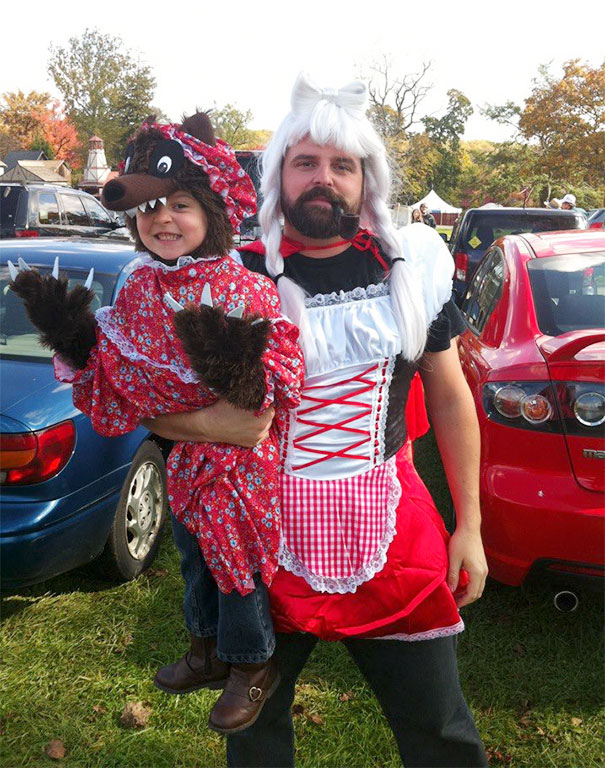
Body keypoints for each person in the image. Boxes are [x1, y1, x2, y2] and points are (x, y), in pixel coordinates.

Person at [148, 73, 489, 767]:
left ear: (366, 179)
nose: (322, 178)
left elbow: (450, 395)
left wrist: (470, 526)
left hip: (394, 529)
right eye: (305, 162)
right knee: (255, 736)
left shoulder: (410, 266)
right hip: (260, 538)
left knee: (439, 731)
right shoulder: (228, 273)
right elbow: (150, 408)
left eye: (341, 164)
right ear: (279, 174)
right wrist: (219, 427)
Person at [9, 111, 304, 735]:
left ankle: (253, 663)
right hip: (182, 456)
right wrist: (85, 346)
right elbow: (120, 358)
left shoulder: (242, 285)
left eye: (179, 206)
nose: (162, 220)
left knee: (236, 561)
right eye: (148, 211)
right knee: (192, 551)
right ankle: (203, 648)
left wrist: (219, 383)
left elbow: (268, 382)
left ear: (214, 213)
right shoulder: (141, 282)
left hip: (238, 466)